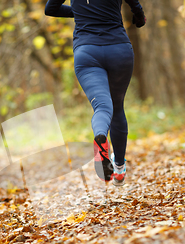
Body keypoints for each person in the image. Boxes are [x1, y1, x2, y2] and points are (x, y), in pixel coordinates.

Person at [45, 0, 146, 186]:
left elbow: (50, 9)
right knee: (117, 107)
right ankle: (119, 168)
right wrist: (139, 17)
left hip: (87, 52)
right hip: (119, 50)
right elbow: (136, 7)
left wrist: (80, 12)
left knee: (102, 105)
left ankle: (100, 136)